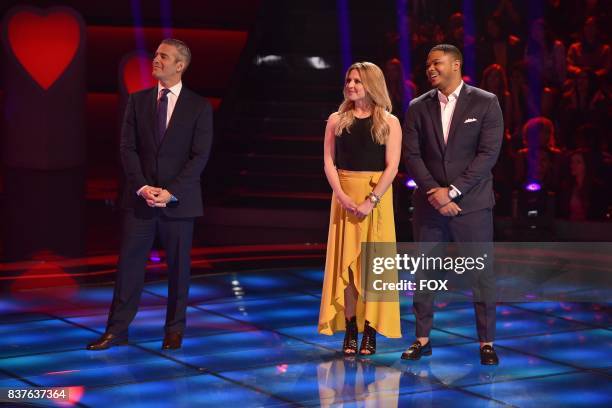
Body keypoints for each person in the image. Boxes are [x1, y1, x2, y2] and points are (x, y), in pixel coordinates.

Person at [87, 39, 213, 351]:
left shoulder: (199, 106)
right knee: (128, 266)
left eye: (163, 56)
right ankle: (117, 330)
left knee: (179, 270)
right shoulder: (138, 100)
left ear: (179, 65)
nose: (155, 60)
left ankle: (174, 331)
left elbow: (199, 156)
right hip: (139, 201)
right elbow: (127, 148)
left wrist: (170, 191)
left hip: (179, 202)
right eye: (156, 55)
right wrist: (143, 187)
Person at [401, 44, 503, 365]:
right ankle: (422, 338)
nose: (430, 69)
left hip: (471, 205)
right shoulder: (418, 107)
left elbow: (488, 155)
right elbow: (412, 155)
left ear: (456, 64)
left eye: (437, 63)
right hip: (431, 205)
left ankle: (486, 342)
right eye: (427, 65)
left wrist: (454, 191)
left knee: (480, 274)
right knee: (426, 273)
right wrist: (435, 191)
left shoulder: (486, 102)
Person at [318, 62, 402, 356]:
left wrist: (371, 201)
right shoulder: (336, 119)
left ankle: (371, 329)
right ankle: (351, 326)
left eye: (358, 81)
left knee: (371, 269)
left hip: (375, 200)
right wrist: (341, 196)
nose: (351, 85)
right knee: (348, 269)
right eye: (349, 80)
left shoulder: (389, 122)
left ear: (372, 85)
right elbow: (329, 162)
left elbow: (392, 167)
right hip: (344, 199)